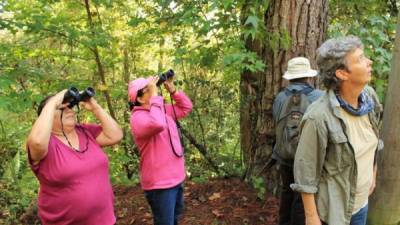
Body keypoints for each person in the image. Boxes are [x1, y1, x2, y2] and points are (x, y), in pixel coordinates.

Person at [291, 36, 383, 225]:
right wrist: (311, 217)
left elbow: (374, 141)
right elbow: (305, 172)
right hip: (333, 213)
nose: (369, 62)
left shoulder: (370, 98)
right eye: (360, 59)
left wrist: (373, 174)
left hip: (361, 205)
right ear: (342, 74)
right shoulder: (318, 117)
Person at [26, 89, 123, 225]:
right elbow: (36, 141)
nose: (69, 110)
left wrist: (95, 107)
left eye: (70, 106)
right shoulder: (45, 144)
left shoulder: (85, 131)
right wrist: (54, 101)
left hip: (105, 220)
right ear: (46, 116)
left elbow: (116, 135)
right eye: (62, 108)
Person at [128, 75, 193, 225]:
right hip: (160, 184)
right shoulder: (138, 118)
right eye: (148, 89)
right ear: (139, 99)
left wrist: (173, 91)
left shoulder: (161, 110)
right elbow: (157, 124)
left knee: (175, 219)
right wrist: (156, 97)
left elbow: (186, 107)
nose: (154, 90)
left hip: (176, 178)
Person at [272, 57, 324, 225]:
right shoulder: (319, 97)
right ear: (309, 76)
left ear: (290, 76)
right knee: (303, 198)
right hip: (307, 158)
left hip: (284, 156)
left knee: (287, 191)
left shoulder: (280, 98)